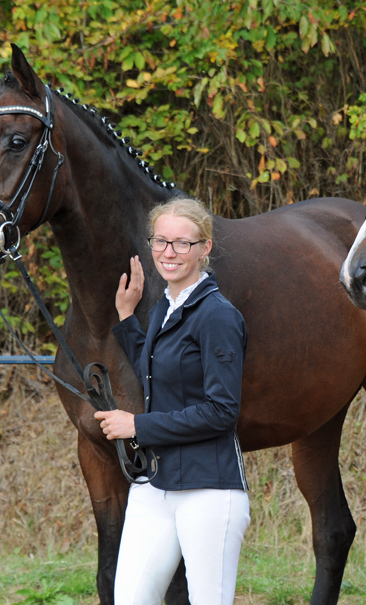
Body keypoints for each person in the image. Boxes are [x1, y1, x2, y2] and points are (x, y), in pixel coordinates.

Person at [94, 196, 249, 605]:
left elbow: (222, 412)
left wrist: (137, 427)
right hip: (155, 485)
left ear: (205, 248)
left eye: (183, 243)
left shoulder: (218, 316)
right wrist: (127, 319)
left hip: (208, 490)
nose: (169, 252)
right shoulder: (165, 305)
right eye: (161, 241)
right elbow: (160, 371)